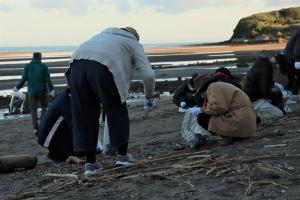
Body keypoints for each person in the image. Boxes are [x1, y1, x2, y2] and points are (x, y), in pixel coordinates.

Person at [68, 27, 155, 175]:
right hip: (103, 67)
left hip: (75, 66)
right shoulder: (133, 42)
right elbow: (148, 75)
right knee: (117, 109)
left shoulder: (101, 35)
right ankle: (122, 157)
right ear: (135, 37)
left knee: (85, 115)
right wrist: (148, 97)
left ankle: (90, 164)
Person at [182, 74, 256, 147]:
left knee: (202, 118)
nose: (201, 96)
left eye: (200, 93)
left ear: (202, 88)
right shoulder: (219, 85)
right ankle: (237, 136)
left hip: (239, 121)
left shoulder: (213, 87)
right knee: (207, 115)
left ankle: (230, 136)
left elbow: (219, 107)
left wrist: (201, 110)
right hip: (247, 124)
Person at [13, 52, 54, 134]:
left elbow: (24, 79)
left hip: (31, 92)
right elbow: (47, 79)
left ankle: (35, 128)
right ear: (40, 57)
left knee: (33, 109)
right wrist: (52, 89)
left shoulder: (27, 66)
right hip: (42, 90)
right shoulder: (44, 66)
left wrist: (17, 87)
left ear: (33, 57)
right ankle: (43, 125)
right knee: (44, 107)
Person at [241, 54, 289, 119]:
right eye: (278, 68)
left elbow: (263, 85)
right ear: (276, 63)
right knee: (278, 114)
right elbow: (265, 92)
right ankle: (252, 116)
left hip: (251, 97)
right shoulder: (265, 70)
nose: (276, 70)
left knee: (278, 90)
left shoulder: (262, 64)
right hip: (254, 100)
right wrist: (278, 94)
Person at [285, 27, 300, 97]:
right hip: (292, 59)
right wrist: (297, 60)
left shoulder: (297, 33)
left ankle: (292, 94)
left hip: (290, 58)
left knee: (292, 78)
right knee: (293, 78)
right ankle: (292, 94)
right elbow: (297, 48)